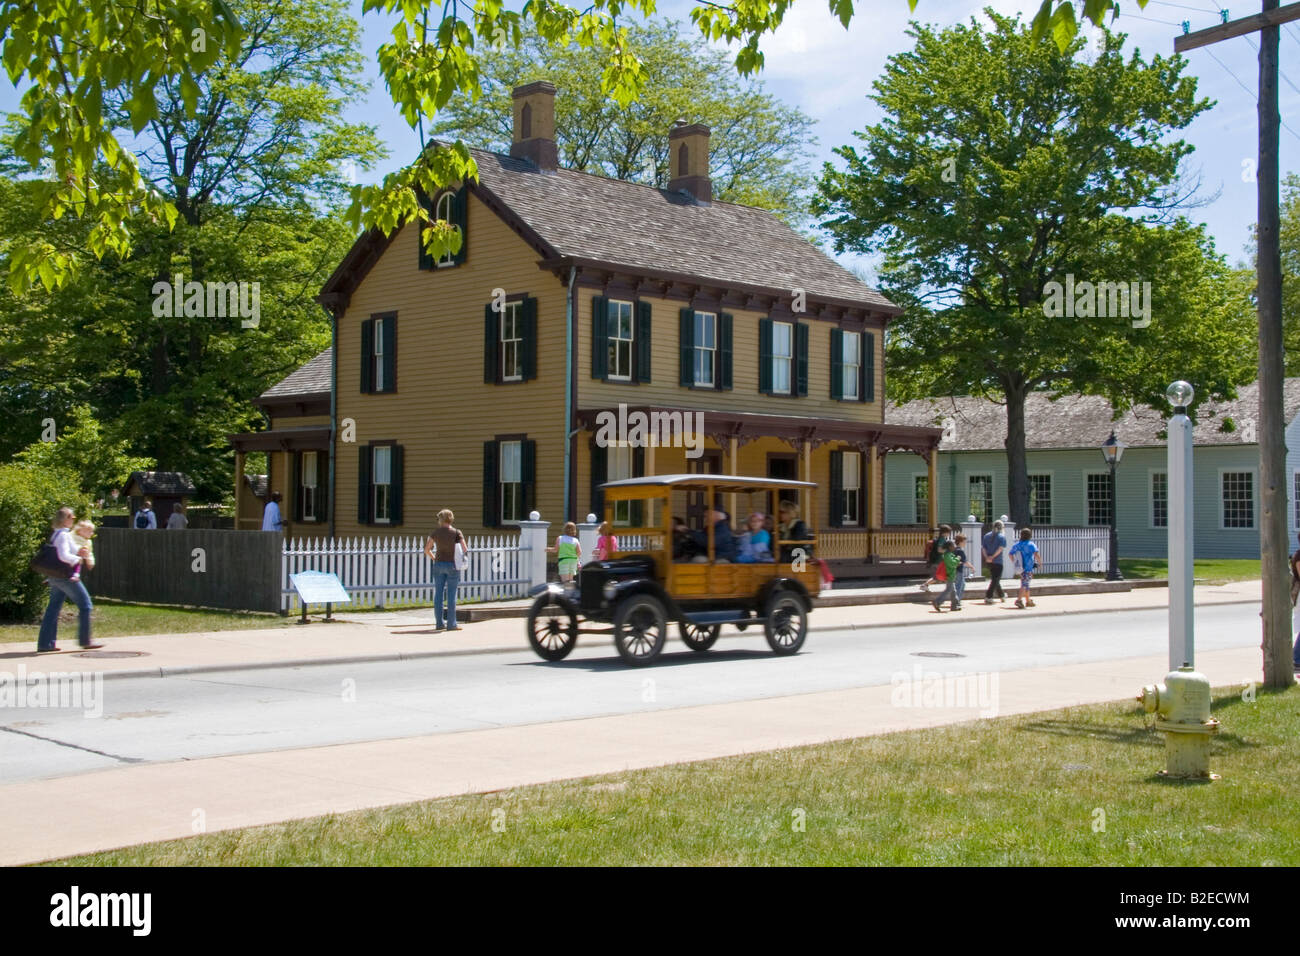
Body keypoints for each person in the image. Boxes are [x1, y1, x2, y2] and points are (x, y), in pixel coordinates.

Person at [36, 508, 103, 652]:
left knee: (53, 609)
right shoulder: (63, 535)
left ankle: (45, 644)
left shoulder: (58, 534)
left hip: (55, 577)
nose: (73, 520)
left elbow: (70, 550)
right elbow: (63, 556)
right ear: (65, 519)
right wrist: (78, 559)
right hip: (65, 576)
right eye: (71, 518)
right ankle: (85, 640)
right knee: (86, 605)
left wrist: (80, 551)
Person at [423, 509, 467, 631]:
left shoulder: (435, 532)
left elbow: (427, 549)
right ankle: (451, 624)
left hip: (438, 564)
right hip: (452, 565)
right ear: (451, 518)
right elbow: (464, 548)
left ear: (441, 520)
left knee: (438, 594)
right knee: (451, 595)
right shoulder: (457, 533)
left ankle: (439, 623)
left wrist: (434, 558)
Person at [1009, 527, 1039, 609]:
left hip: (1021, 568)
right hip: (1028, 568)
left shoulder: (1017, 545)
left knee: (1026, 584)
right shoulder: (1031, 544)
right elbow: (1036, 554)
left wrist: (1015, 562)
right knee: (1024, 584)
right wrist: (1040, 563)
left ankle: (1028, 601)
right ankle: (1019, 600)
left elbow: (1010, 554)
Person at [547, 521, 582, 586]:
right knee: (571, 581)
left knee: (565, 581)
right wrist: (578, 562)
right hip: (573, 561)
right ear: (574, 530)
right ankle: (571, 594)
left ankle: (566, 595)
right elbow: (579, 552)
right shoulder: (575, 540)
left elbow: (555, 550)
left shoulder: (560, 538)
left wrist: (548, 549)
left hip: (564, 561)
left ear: (565, 529)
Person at [930, 540, 961, 612]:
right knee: (949, 590)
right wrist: (958, 559)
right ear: (950, 547)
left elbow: (952, 563)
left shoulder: (949, 554)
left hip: (951, 575)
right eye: (953, 545)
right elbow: (952, 564)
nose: (955, 546)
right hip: (949, 575)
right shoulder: (948, 555)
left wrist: (956, 562)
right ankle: (937, 602)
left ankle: (954, 606)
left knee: (953, 591)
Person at [920, 524, 952, 592]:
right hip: (939, 561)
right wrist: (948, 550)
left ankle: (925, 585)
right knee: (940, 576)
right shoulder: (942, 539)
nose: (949, 534)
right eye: (948, 532)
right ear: (944, 532)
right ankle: (949, 589)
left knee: (940, 576)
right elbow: (939, 550)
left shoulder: (940, 538)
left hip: (938, 560)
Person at [982, 519, 1007, 604]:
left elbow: (984, 548)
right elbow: (1000, 549)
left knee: (995, 579)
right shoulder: (1001, 537)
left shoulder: (986, 536)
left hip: (989, 561)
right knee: (996, 579)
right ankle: (988, 596)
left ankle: (1002, 595)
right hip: (998, 561)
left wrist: (987, 557)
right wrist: (993, 557)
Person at [952, 533, 974, 604]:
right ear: (960, 542)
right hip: (959, 571)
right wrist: (972, 567)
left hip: (954, 570)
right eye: (964, 542)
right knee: (959, 586)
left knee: (962, 584)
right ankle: (956, 601)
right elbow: (965, 561)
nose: (965, 543)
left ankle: (957, 600)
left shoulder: (954, 549)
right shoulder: (960, 551)